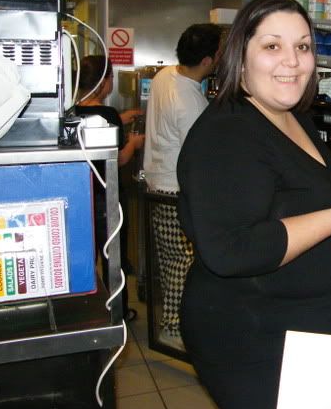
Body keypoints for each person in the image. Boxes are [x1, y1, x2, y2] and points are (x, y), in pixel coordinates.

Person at [177, 0, 331, 409]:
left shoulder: (290, 115)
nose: (291, 61)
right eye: (272, 45)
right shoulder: (226, 132)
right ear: (241, 56)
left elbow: (287, 181)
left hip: (293, 329)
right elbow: (230, 250)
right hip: (248, 335)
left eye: (303, 46)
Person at [142, 23, 222, 343]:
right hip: (176, 190)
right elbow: (199, 157)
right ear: (208, 60)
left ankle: (172, 323)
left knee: (170, 259)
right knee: (182, 262)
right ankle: (174, 329)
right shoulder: (190, 103)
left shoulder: (165, 76)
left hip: (157, 183)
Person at [75, 55, 145, 321]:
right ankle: (117, 313)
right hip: (108, 196)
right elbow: (121, 158)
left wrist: (121, 119)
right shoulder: (108, 114)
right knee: (113, 260)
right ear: (103, 83)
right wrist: (134, 143)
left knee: (87, 257)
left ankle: (87, 313)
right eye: (111, 77)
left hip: (82, 197)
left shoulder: (71, 111)